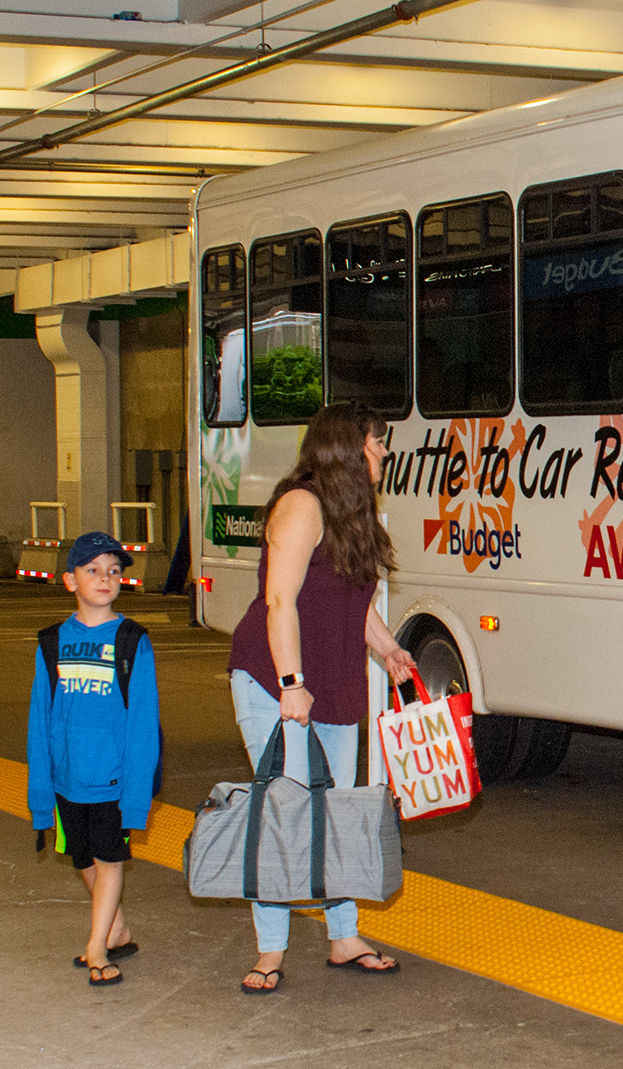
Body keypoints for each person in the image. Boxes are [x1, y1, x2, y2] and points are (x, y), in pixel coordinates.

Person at [227, 401, 415, 994]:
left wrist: (387, 649)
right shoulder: (301, 504)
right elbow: (279, 601)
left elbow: (350, 603)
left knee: (334, 816)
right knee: (284, 814)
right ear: (346, 447)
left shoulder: (353, 513)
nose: (382, 451)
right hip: (275, 680)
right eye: (374, 441)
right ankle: (270, 951)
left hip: (334, 683)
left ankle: (343, 937)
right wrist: (290, 685)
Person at [27, 532, 161, 988]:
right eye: (92, 570)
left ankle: (98, 945)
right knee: (81, 855)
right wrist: (40, 794)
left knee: (108, 859)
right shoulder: (51, 643)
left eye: (114, 570)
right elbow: (38, 722)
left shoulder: (131, 641)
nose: (105, 578)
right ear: (69, 581)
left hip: (111, 780)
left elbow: (143, 725)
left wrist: (136, 797)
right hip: (67, 779)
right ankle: (117, 928)